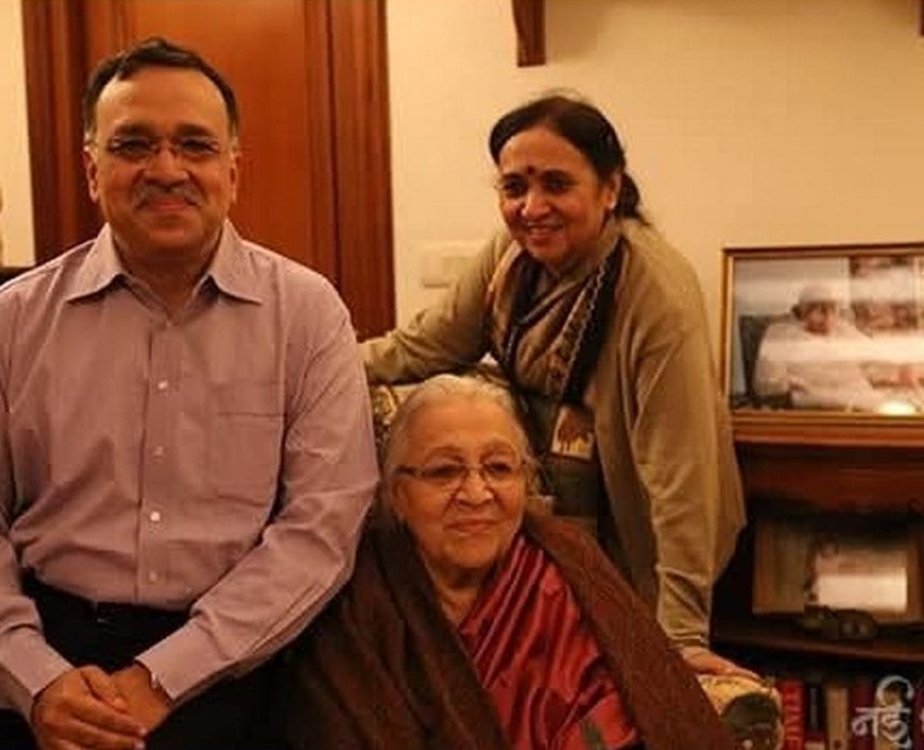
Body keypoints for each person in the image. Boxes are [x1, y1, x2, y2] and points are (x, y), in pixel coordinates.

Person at [0, 37, 378, 750]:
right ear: (92, 170)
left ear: (232, 171)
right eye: (133, 145)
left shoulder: (308, 317)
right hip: (35, 655)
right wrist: (38, 683)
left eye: (195, 145)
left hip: (231, 666)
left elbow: (321, 533)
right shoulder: (5, 324)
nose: (166, 169)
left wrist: (164, 677)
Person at [361, 94, 747, 676]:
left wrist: (681, 635)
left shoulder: (658, 297)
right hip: (546, 525)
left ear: (610, 189)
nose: (532, 207)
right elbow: (425, 346)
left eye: (557, 185)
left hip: (642, 543)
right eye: (514, 187)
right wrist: (313, 369)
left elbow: (681, 477)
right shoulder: (509, 254)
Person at [280, 374, 736, 749]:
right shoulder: (358, 604)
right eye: (444, 471)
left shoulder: (567, 568)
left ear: (526, 482)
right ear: (397, 494)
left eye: (499, 468)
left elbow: (635, 703)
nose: (476, 494)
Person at [753, 283, 894, 411]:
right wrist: (793, 383)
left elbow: (875, 358)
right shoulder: (780, 334)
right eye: (818, 309)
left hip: (859, 396)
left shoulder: (844, 329)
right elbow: (766, 383)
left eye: (832, 308)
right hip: (813, 399)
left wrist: (893, 372)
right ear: (801, 312)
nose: (827, 315)